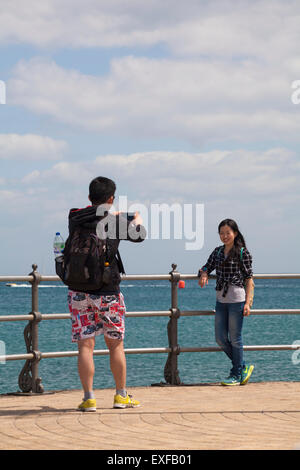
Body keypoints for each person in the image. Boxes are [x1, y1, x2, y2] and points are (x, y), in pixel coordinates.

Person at [67, 176, 146, 411]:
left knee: (85, 346)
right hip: (108, 293)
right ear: (111, 198)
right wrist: (135, 218)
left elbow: (90, 214)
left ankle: (88, 398)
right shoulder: (115, 222)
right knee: (116, 346)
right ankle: (120, 396)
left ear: (90, 197)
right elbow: (140, 235)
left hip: (78, 291)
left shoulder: (74, 217)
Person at [198, 219, 255, 386]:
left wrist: (248, 303)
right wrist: (204, 274)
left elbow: (249, 280)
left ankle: (236, 374)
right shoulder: (217, 252)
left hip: (237, 299)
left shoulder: (243, 253)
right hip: (221, 300)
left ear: (235, 233)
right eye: (221, 233)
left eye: (228, 233)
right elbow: (206, 266)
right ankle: (242, 367)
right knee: (220, 338)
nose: (224, 236)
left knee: (235, 338)